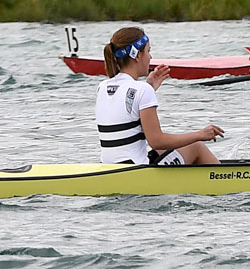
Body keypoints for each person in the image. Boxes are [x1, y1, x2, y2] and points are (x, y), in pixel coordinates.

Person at [94, 27, 224, 165]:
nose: (150, 57)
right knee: (196, 146)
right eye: (148, 51)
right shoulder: (142, 89)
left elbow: (125, 113)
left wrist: (149, 87)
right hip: (136, 171)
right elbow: (156, 141)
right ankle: (226, 182)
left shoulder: (102, 87)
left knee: (166, 151)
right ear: (137, 55)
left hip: (108, 167)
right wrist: (200, 134)